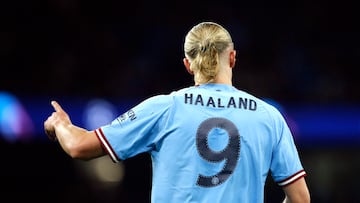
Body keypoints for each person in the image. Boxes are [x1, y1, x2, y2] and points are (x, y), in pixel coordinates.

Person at [44, 21, 310, 203]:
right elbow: (300, 197)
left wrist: (60, 124)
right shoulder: (269, 116)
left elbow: (80, 147)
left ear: (187, 64)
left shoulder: (164, 108)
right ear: (232, 58)